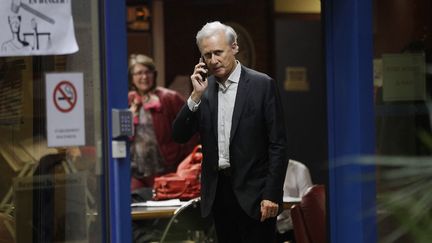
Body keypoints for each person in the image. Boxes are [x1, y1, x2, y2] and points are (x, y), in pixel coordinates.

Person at [172, 21, 288, 243]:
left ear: (234, 47)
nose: (213, 60)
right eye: (207, 55)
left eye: (218, 52)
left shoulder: (262, 84)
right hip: (219, 194)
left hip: (256, 194)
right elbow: (179, 135)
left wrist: (272, 194)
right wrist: (195, 96)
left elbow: (278, 144)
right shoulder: (203, 90)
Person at [128, 54, 199, 191]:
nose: (144, 77)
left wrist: (185, 165)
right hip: (136, 171)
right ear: (132, 77)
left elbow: (191, 130)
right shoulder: (127, 100)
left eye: (148, 72)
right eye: (139, 73)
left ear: (154, 75)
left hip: (166, 170)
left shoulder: (169, 98)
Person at [276, 159, 313, 243]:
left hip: (291, 230)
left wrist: (282, 226)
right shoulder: (259, 170)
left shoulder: (300, 169)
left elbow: (307, 208)